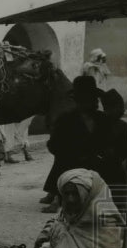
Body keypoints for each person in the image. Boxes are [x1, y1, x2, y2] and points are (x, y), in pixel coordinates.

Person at [41, 75, 105, 213]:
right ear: (77, 100)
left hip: (97, 169)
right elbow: (54, 146)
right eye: (83, 98)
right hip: (72, 166)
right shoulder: (66, 120)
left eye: (89, 98)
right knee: (62, 163)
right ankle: (58, 198)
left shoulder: (103, 120)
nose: (87, 102)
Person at [95, 89, 127, 212]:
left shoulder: (122, 126)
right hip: (106, 168)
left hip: (114, 168)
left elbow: (126, 150)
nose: (122, 110)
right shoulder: (101, 124)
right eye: (117, 107)